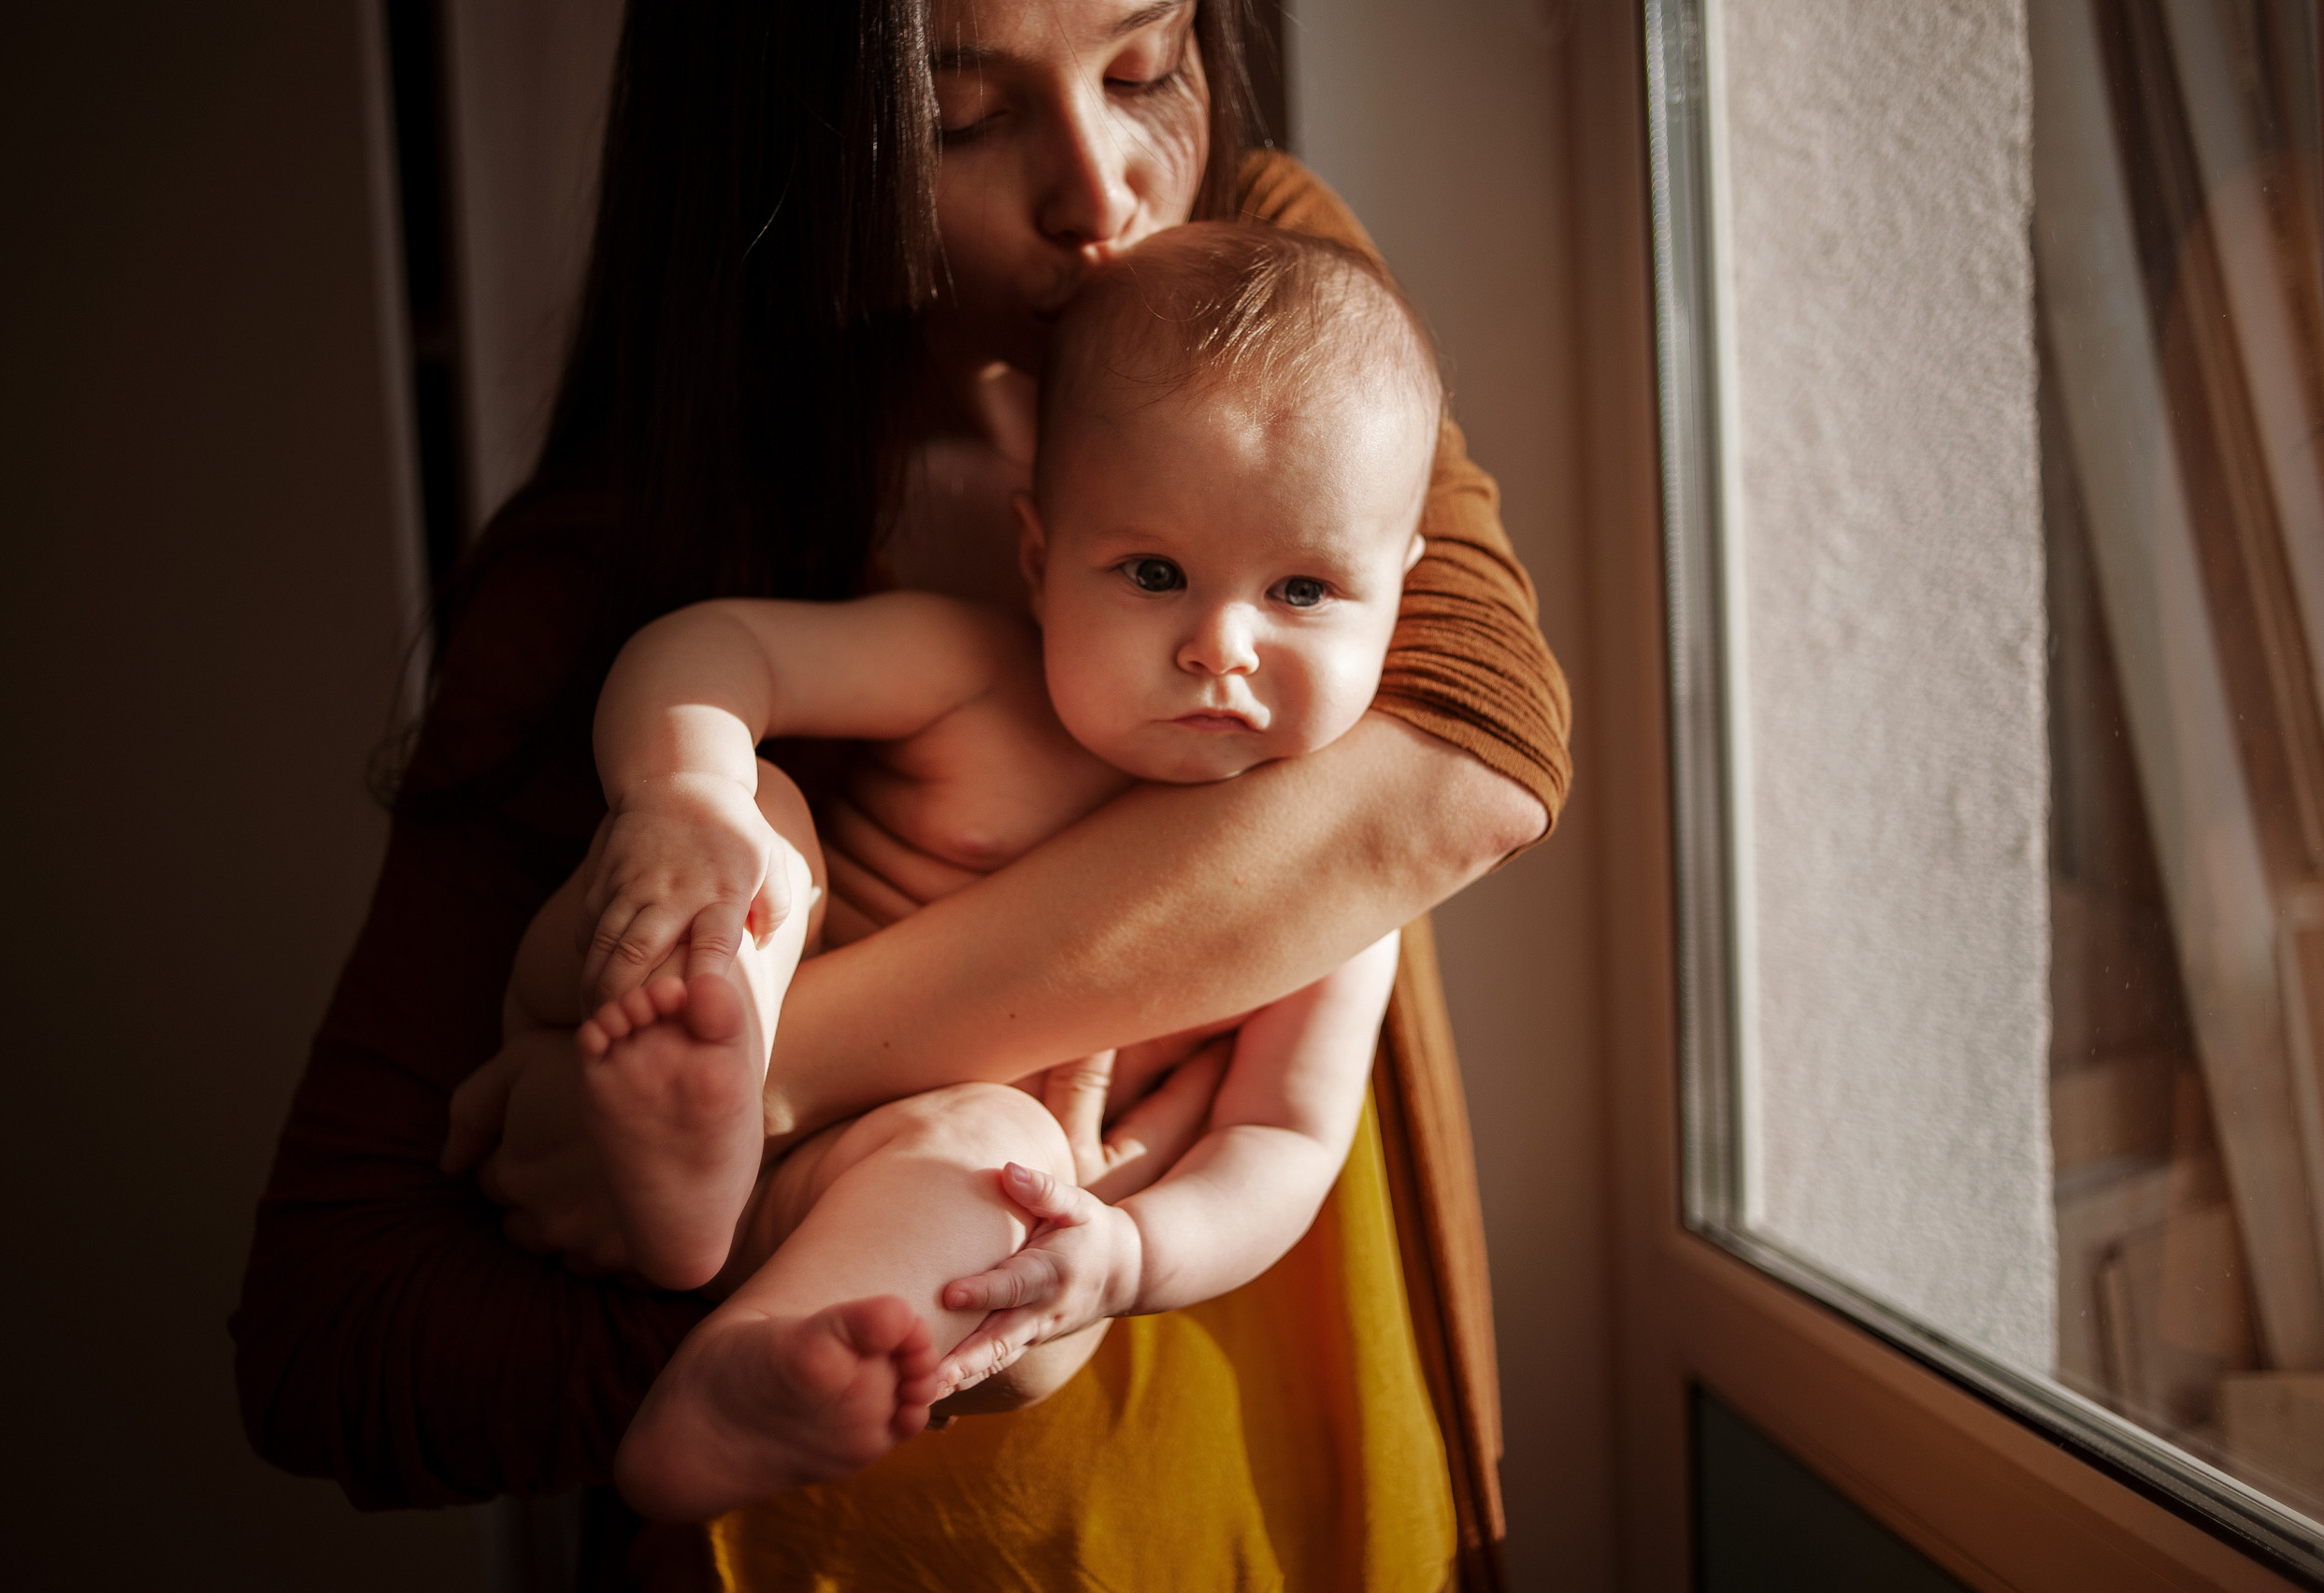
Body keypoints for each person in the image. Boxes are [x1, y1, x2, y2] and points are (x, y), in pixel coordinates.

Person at [234, 1, 1569, 1586]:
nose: (1105, 192)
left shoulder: (1280, 298)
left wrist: (790, 1088)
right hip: (838, 1535)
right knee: (748, 863)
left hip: (1250, 1485)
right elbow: (329, 1337)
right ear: (785, 150)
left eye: (1147, 68)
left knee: (992, 1172)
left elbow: (1479, 759)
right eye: (963, 121)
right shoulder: (675, 576)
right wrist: (698, 852)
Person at [492, 223, 1442, 1519]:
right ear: (1044, 561)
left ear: (1402, 593)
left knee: (1001, 1156)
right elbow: (719, 649)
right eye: (1155, 574)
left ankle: (740, 1374)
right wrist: (683, 796)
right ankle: (699, 1096)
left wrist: (1132, 1252)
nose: (1221, 646)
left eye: (1305, 589)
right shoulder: (979, 676)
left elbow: (1283, 1136)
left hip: (917, 1196)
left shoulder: (1336, 890)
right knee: (761, 826)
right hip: (647, 1026)